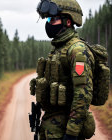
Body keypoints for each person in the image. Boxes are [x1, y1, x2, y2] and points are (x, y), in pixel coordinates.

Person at [30, 0, 96, 140]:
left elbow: (83, 94)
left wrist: (71, 133)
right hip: (51, 129)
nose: (48, 23)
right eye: (47, 19)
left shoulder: (77, 50)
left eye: (53, 19)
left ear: (68, 22)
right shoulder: (59, 48)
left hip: (64, 131)